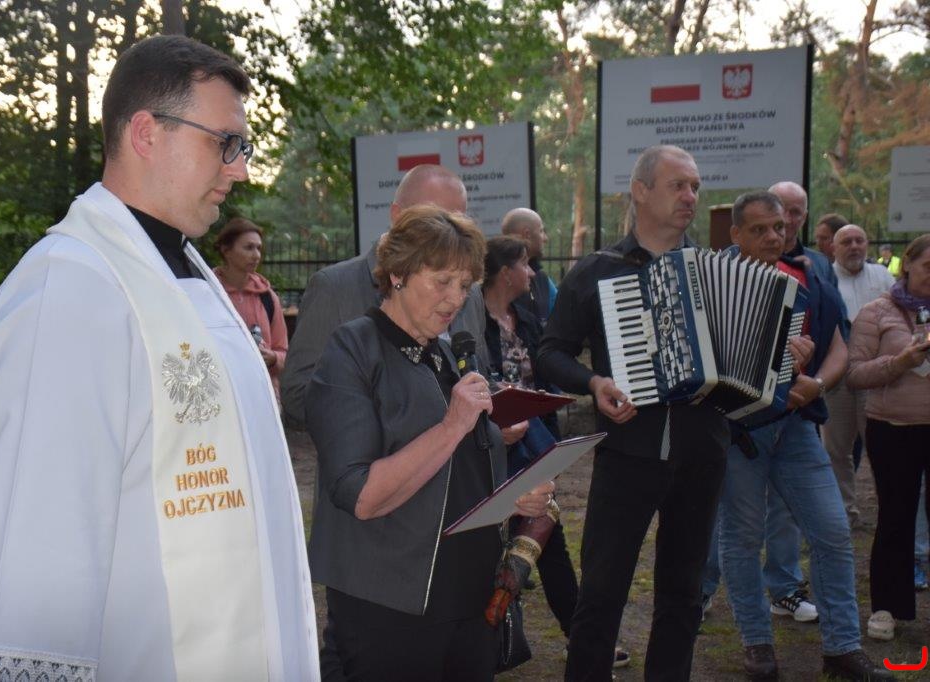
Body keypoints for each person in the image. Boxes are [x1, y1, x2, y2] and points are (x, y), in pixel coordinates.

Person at [0, 35, 319, 681]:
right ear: (146, 133)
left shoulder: (184, 272)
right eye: (225, 143)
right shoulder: (68, 289)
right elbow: (33, 553)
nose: (241, 169)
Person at [306, 205, 555, 681]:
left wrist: (513, 496)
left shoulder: (445, 353)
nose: (455, 299)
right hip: (390, 605)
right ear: (397, 274)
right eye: (442, 281)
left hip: (472, 598)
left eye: (464, 285)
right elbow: (361, 495)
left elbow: (459, 476)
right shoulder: (352, 350)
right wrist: (452, 425)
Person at [538, 145, 729, 681]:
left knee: (683, 595)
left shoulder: (715, 273)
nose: (690, 196)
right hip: (627, 454)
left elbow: (748, 359)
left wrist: (784, 359)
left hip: (703, 452)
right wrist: (593, 382)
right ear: (640, 191)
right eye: (677, 185)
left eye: (695, 187)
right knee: (601, 593)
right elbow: (550, 352)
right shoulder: (598, 271)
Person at [718, 190, 891, 681]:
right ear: (736, 234)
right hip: (739, 434)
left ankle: (842, 648)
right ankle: (757, 644)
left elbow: (838, 346)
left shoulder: (809, 273)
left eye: (778, 226)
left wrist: (815, 381)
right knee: (742, 538)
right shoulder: (709, 280)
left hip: (797, 427)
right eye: (759, 230)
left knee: (833, 531)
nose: (774, 236)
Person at [281, 164, 489, 428]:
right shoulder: (335, 288)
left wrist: (494, 414)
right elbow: (297, 397)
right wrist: (403, 426)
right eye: (434, 220)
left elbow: (478, 376)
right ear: (397, 216)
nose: (449, 233)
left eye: (457, 221)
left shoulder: (471, 293)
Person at [482, 235, 579, 636]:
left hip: (534, 444)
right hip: (489, 447)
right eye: (524, 264)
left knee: (546, 530)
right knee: (487, 544)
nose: (532, 273)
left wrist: (552, 395)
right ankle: (490, 639)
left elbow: (546, 371)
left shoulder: (527, 318)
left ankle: (578, 634)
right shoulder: (470, 321)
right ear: (506, 273)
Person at [846, 233, 930, 642]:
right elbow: (854, 374)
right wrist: (900, 362)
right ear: (908, 263)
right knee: (896, 516)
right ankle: (886, 608)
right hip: (892, 429)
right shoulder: (877, 312)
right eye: (928, 266)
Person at [823, 225, 894, 523]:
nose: (854, 246)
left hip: (875, 374)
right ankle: (844, 512)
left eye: (859, 240)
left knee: (881, 446)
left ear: (866, 244)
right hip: (836, 374)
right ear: (834, 247)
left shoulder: (883, 277)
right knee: (836, 448)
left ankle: (889, 508)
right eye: (846, 241)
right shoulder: (825, 277)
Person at [214, 217, 289, 401]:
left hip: (263, 395)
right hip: (220, 395)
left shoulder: (267, 297)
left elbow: (283, 351)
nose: (256, 255)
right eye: (248, 247)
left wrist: (273, 358)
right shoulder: (208, 292)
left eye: (258, 248)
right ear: (226, 250)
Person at [769, 181, 837, 287]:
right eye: (780, 210)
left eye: (795, 212)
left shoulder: (821, 265)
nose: (786, 220)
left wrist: (811, 279)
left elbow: (831, 298)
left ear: (804, 217)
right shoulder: (748, 259)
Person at [501, 207, 556, 326]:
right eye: (541, 231)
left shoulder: (542, 278)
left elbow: (562, 312)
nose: (545, 238)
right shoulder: (498, 281)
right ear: (527, 234)